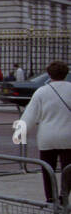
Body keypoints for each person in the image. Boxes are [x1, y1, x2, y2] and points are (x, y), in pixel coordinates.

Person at [19, 60, 71, 203]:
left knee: (48, 169)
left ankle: (50, 197)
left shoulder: (41, 91)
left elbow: (30, 115)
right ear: (66, 74)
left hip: (47, 136)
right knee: (68, 170)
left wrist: (20, 133)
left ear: (49, 74)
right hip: (68, 136)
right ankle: (64, 195)